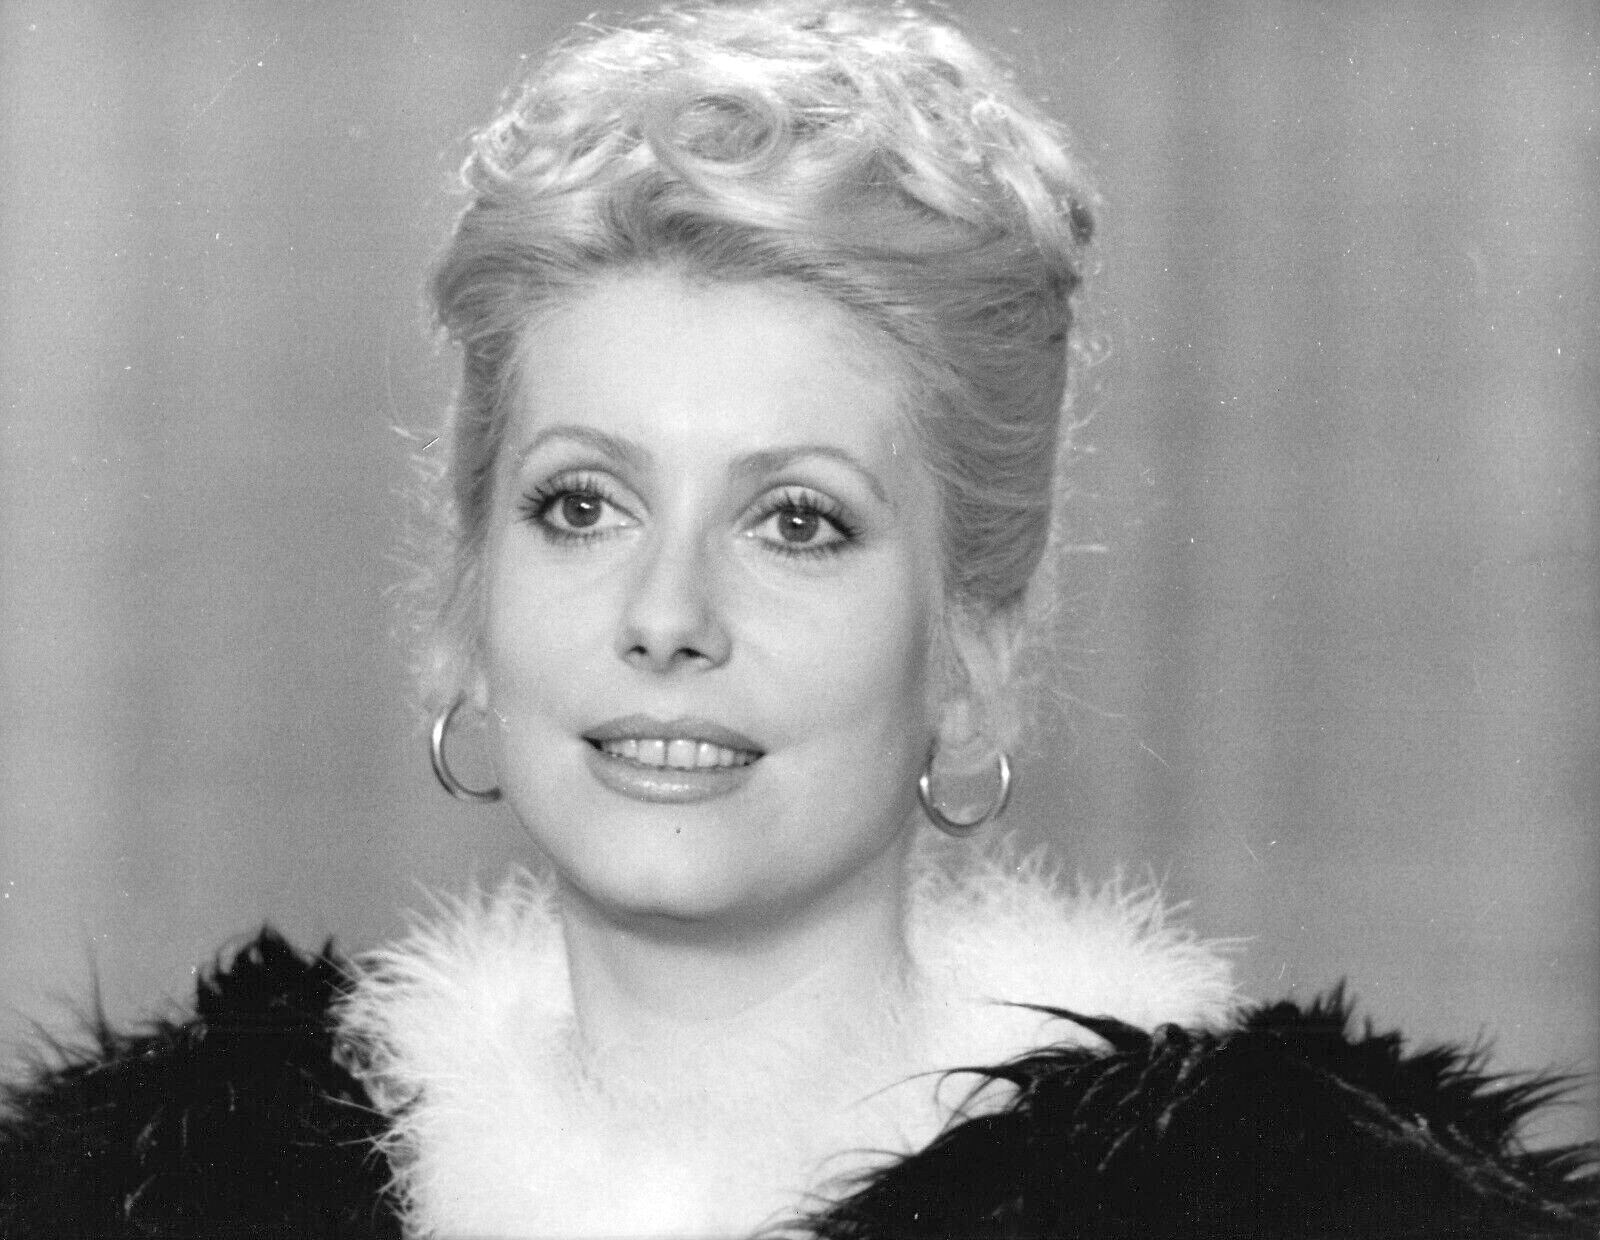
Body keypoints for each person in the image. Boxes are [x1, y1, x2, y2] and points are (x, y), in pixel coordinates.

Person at [1, 3, 1594, 1237]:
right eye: (582, 505)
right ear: (465, 610)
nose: (668, 615)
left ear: (974, 654)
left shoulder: (1305, 1208)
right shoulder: (124, 1196)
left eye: (798, 522)